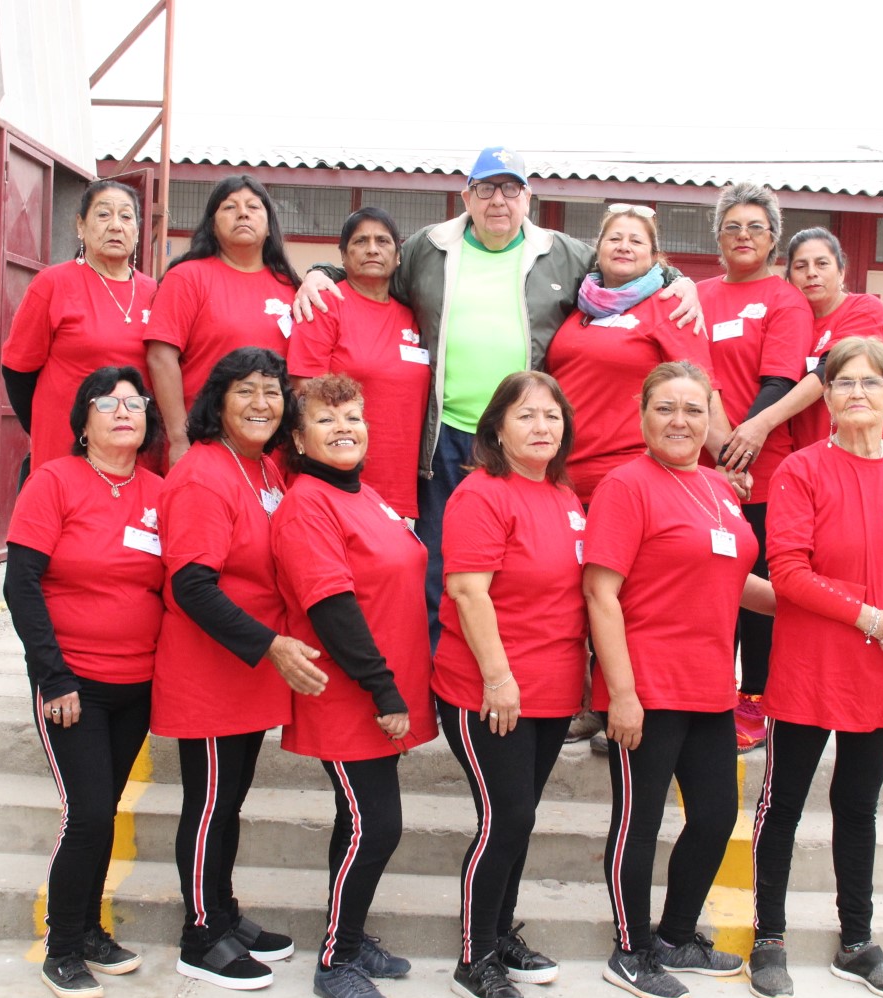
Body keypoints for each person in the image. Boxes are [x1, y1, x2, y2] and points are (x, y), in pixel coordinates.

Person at [293, 147, 701, 654]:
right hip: (444, 436)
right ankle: (442, 670)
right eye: (486, 188)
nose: (498, 200)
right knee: (439, 560)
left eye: (510, 189)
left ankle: (514, 663)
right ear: (467, 197)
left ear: (528, 197)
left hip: (521, 436)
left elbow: (625, 265)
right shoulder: (429, 247)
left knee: (522, 561)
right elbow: (372, 267)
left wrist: (679, 280)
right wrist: (321, 272)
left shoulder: (562, 252)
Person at [747, 336, 883, 998]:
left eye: (871, 382)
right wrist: (867, 617)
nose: (857, 392)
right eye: (843, 382)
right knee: (782, 806)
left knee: (858, 806)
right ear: (826, 397)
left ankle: (857, 941)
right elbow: (788, 571)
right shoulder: (801, 471)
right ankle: (769, 938)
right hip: (813, 665)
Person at [583, 361, 776, 998]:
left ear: (710, 418)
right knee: (638, 823)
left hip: (710, 686)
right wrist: (621, 694)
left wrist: (805, 603)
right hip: (649, 685)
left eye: (694, 409)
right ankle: (631, 951)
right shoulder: (625, 486)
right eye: (665, 407)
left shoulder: (719, 488)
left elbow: (731, 579)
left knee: (716, 816)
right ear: (642, 415)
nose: (680, 421)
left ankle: (673, 938)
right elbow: (601, 594)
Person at [152, 347, 328, 991]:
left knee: (230, 801)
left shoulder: (263, 468)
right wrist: (271, 645)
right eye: (246, 391)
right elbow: (193, 587)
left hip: (251, 664)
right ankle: (201, 935)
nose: (261, 403)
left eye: (272, 391)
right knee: (209, 806)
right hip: (212, 668)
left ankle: (223, 913)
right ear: (217, 400)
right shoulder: (204, 475)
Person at [271, 374, 439, 998]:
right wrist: (384, 691)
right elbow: (331, 606)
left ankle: (352, 934)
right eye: (325, 419)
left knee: (357, 821)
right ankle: (336, 961)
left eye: (353, 416)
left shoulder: (366, 495)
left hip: (382, 689)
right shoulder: (308, 503)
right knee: (377, 825)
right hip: (350, 695)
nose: (344, 428)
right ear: (297, 438)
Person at [3, 365, 165, 998]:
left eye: (135, 402)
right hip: (74, 687)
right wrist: (53, 677)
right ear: (83, 422)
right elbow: (21, 584)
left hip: (137, 684)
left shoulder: (159, 492)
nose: (124, 411)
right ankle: (63, 948)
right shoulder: (54, 482)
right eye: (107, 402)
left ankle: (92, 932)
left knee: (105, 810)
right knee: (89, 813)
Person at [431, 371, 587, 998]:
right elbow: (469, 591)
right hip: (490, 690)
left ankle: (499, 934)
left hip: (551, 689)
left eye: (551, 415)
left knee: (519, 819)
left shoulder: (564, 495)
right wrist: (498, 678)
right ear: (496, 429)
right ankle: (475, 959)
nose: (541, 426)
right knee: (507, 818)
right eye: (526, 416)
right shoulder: (481, 494)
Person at [697, 184, 812, 754]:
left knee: (760, 587)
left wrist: (740, 449)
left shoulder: (784, 299)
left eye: (756, 228)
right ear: (718, 238)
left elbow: (781, 381)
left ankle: (756, 698)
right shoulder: (697, 296)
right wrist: (720, 454)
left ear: (773, 240)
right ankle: (706, 691)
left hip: (764, 474)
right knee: (707, 585)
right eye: (732, 227)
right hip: (700, 473)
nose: (743, 236)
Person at [544, 205, 727, 503]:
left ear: (654, 256)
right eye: (614, 238)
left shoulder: (672, 306)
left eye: (636, 241)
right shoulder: (580, 305)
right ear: (598, 250)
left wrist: (728, 462)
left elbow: (703, 388)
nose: (624, 246)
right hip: (559, 477)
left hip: (627, 481)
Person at [1, 181, 158, 471]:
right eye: (103, 214)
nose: (115, 225)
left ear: (137, 230)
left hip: (134, 453)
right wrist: (50, 426)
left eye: (126, 216)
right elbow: (17, 372)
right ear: (81, 226)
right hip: (67, 448)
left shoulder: (155, 292)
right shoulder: (52, 284)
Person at [146, 175, 302, 466]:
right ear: (212, 225)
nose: (243, 213)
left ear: (270, 226)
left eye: (253, 207)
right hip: (204, 444)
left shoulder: (292, 288)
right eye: (230, 207)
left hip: (273, 451)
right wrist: (179, 438)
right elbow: (160, 357)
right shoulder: (187, 277)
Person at [287, 207, 428, 520]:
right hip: (338, 481)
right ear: (343, 255)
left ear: (398, 256)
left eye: (383, 241)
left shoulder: (415, 315)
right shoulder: (325, 304)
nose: (372, 249)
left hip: (400, 484)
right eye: (360, 241)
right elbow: (305, 391)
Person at [726, 227, 883, 469]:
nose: (811, 273)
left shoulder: (865, 309)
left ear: (841, 271)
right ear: (789, 278)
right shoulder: (792, 322)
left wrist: (760, 424)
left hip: (864, 457)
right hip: (809, 462)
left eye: (822, 264)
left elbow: (828, 370)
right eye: (801, 266)